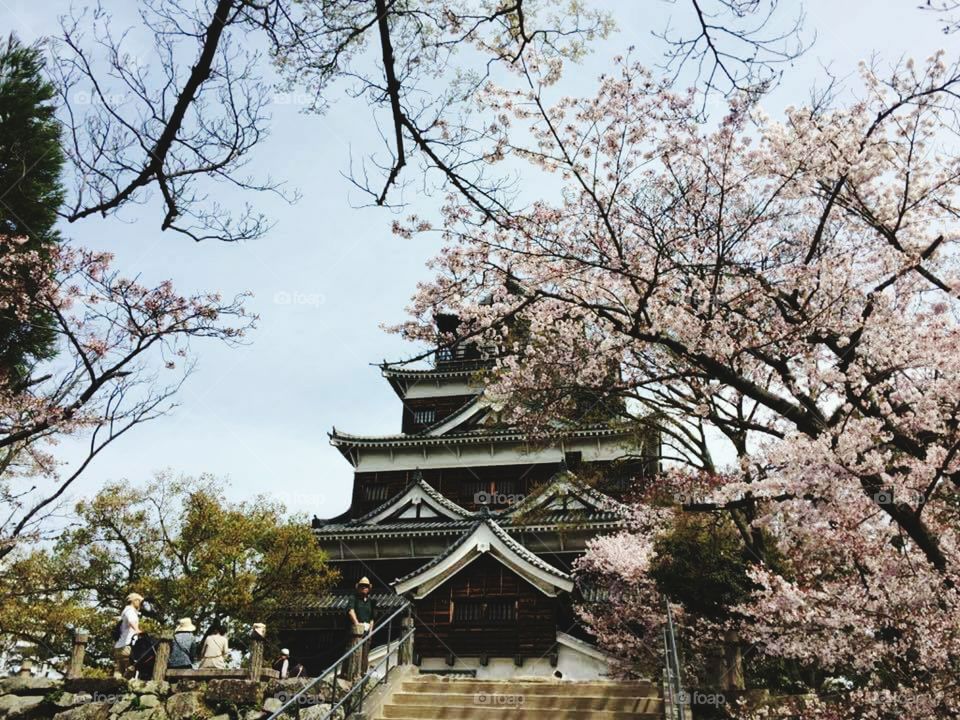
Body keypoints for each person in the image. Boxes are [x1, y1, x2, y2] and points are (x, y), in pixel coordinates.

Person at [347, 577, 377, 678]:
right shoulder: (353, 598)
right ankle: (353, 674)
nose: (364, 588)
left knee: (365, 653)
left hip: (367, 629)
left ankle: (363, 674)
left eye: (366, 586)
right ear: (358, 587)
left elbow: (372, 618)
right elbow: (351, 611)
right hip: (357, 630)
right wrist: (357, 623)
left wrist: (371, 631)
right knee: (355, 652)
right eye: (362, 586)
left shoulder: (371, 602)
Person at [113, 593, 143, 677]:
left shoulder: (124, 611)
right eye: (139, 601)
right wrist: (137, 630)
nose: (140, 603)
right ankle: (125, 688)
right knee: (130, 670)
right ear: (134, 601)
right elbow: (131, 621)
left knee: (118, 671)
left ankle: (115, 687)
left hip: (118, 646)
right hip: (127, 646)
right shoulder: (130, 611)